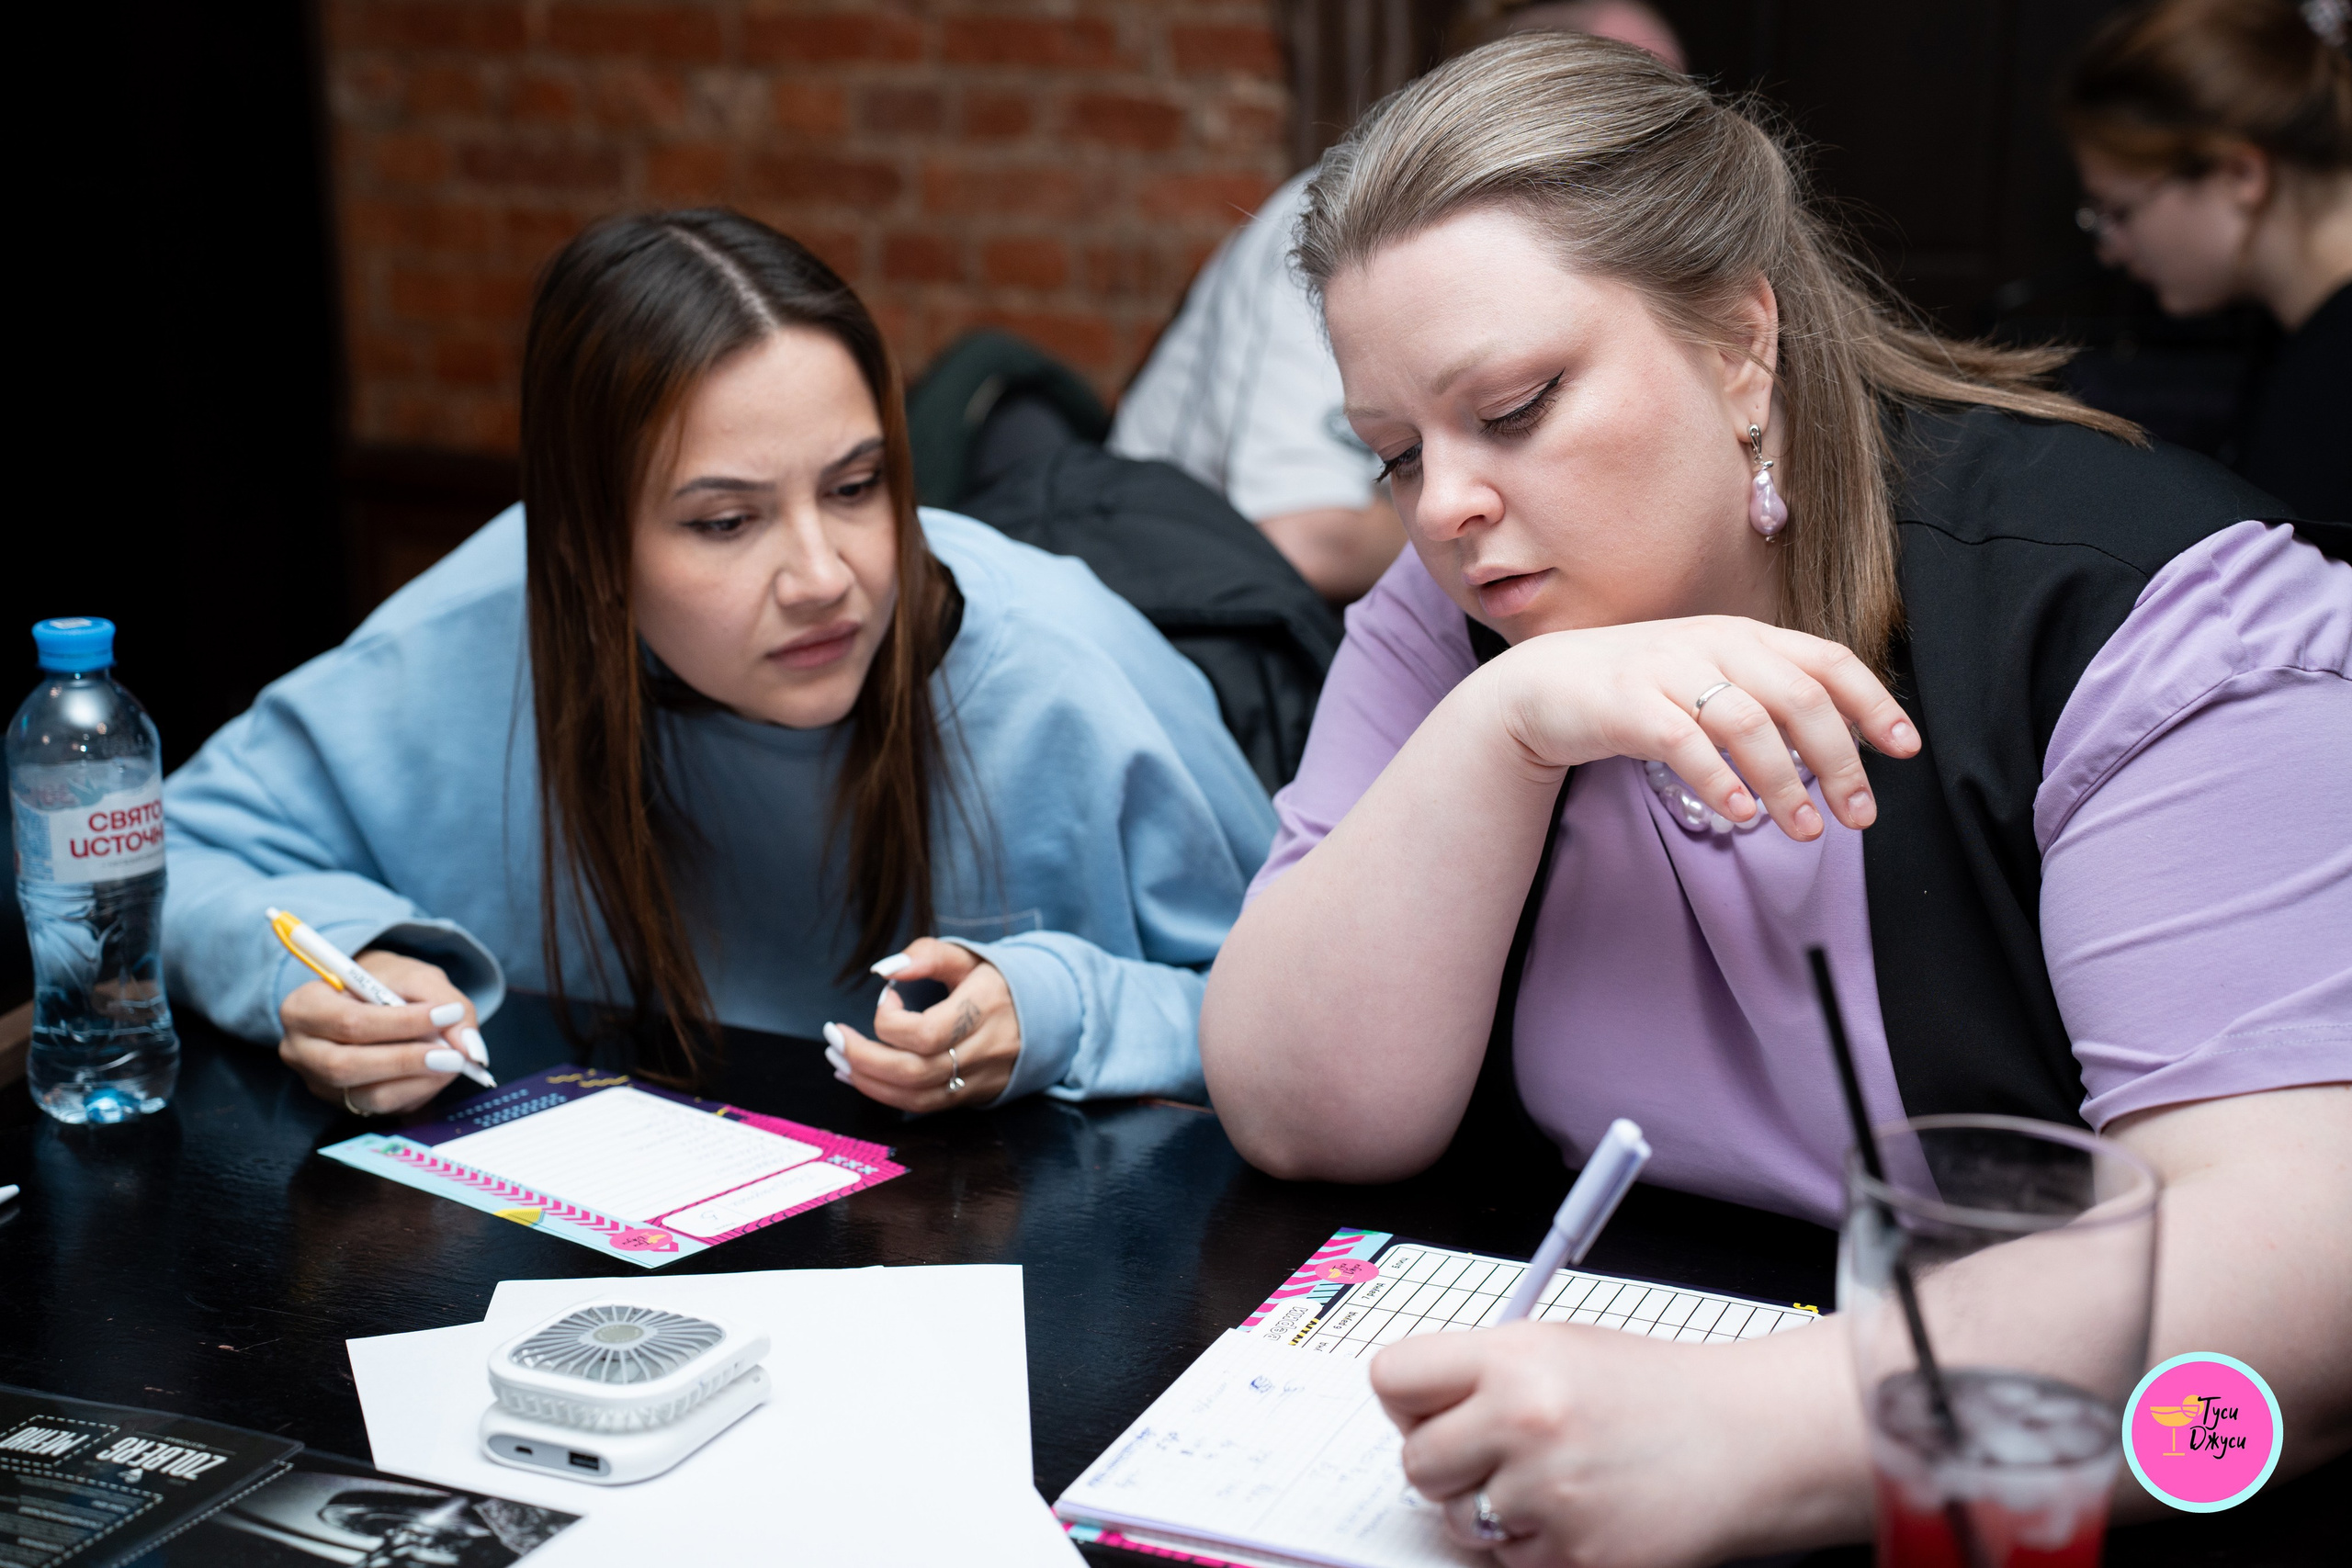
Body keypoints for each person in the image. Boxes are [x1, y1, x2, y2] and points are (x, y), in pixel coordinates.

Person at [1199, 33, 2351, 1565]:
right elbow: (1303, 1109)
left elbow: (2302, 1275)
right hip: (1621, 1376)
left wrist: (1759, 1429)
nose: (1448, 507)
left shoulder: (2136, 620)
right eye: (1397, 454)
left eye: (1519, 404)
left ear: (1742, 345)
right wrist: (1501, 728)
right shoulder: (1462, 615)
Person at [163, 209, 1275, 1119]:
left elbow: (1291, 1012)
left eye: (854, 489)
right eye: (726, 521)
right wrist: (337, 973)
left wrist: (1061, 1009)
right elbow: (171, 851)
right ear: (588, 550)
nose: (822, 576)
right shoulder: (474, 630)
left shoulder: (1065, 667)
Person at [1110, 5, 1683, 604]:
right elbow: (1309, 535)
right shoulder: (1366, 249)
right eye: (1401, 458)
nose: (1440, 507)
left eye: (1672, 114)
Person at [2061, 0, 2352, 519]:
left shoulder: (2331, 384)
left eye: (2120, 212)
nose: (2109, 250)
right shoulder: (2297, 341)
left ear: (2241, 176)